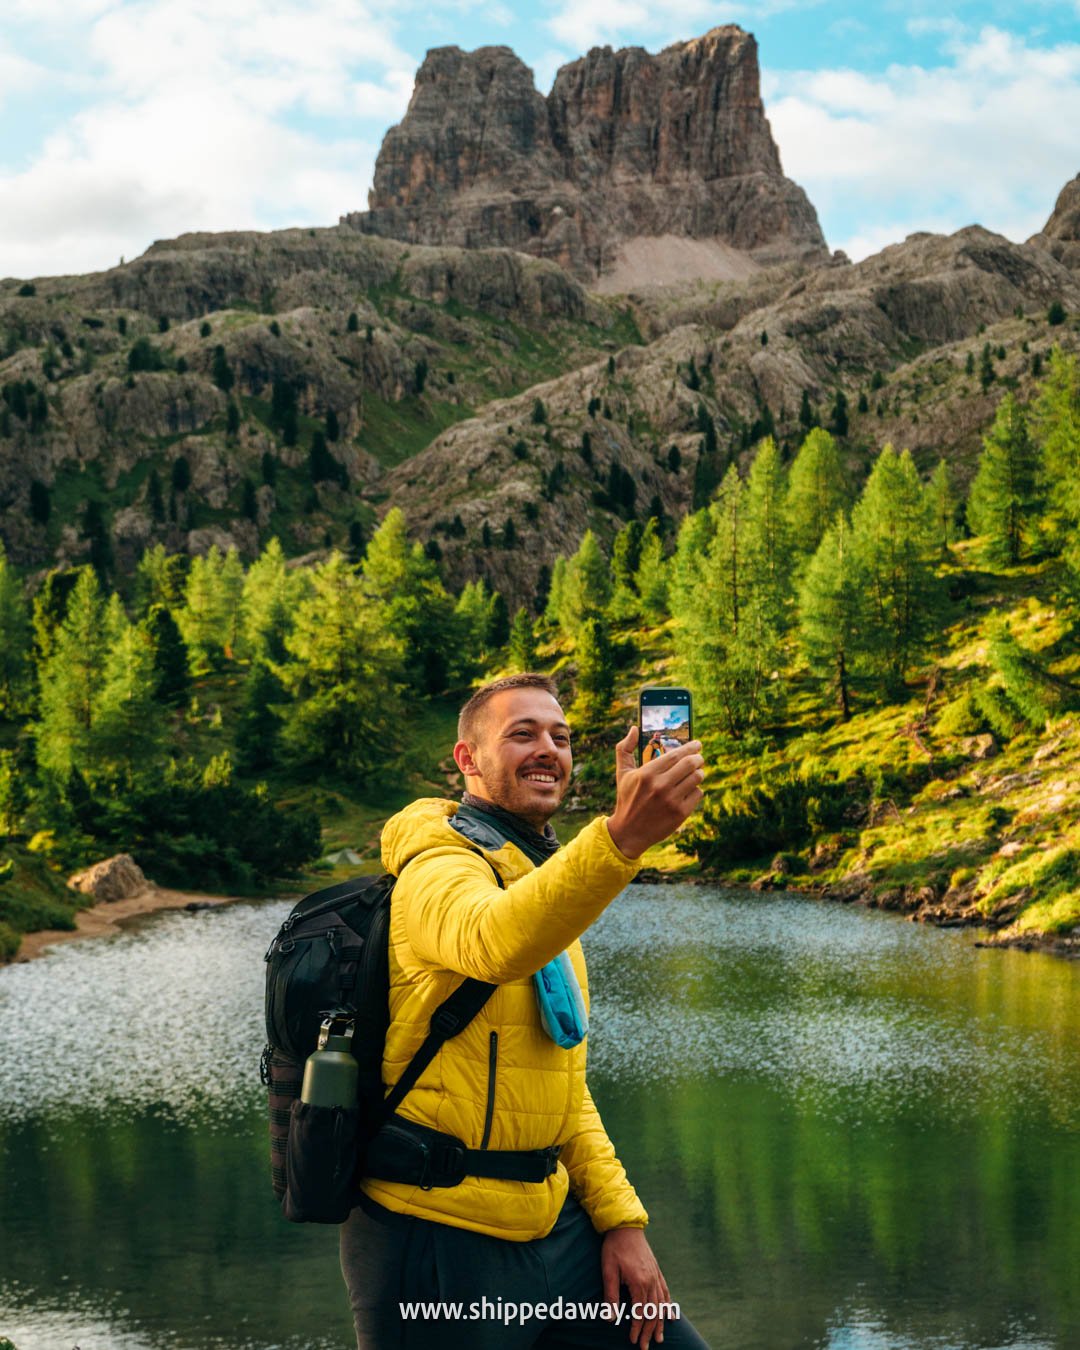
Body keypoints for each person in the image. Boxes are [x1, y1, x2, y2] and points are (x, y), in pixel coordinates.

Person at [340, 673, 709, 1350]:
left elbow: (560, 1084)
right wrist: (621, 838)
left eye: (561, 738)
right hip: (437, 1239)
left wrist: (621, 1223)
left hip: (555, 1229)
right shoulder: (434, 864)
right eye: (523, 734)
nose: (548, 749)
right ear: (467, 759)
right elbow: (490, 941)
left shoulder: (537, 881)